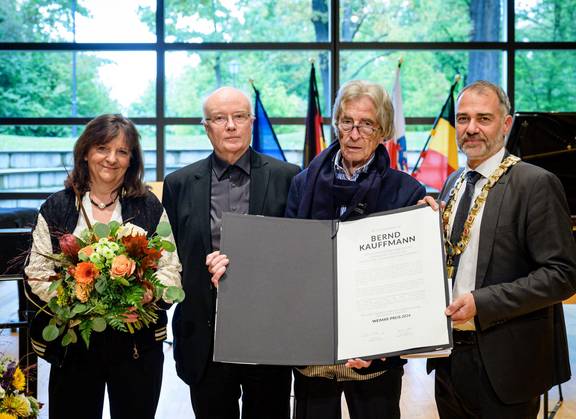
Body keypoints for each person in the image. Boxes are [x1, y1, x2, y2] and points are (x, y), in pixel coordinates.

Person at [423, 80, 576, 418]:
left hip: (507, 362)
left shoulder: (535, 184)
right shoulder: (453, 183)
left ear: (506, 124)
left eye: (484, 118)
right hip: (449, 359)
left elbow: (562, 275)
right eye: (463, 119)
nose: (471, 129)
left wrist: (483, 303)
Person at [25, 114, 182, 419]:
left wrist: (146, 294)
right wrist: (77, 299)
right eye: (102, 148)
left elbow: (170, 269)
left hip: (137, 344)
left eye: (122, 152)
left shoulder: (148, 206)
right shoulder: (57, 206)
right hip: (75, 344)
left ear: (131, 160)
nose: (112, 159)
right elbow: (37, 273)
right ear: (85, 152)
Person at [285, 79, 425, 419]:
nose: (354, 133)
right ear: (336, 125)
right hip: (313, 353)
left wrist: (379, 342)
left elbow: (408, 281)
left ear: (383, 131)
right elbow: (289, 264)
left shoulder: (406, 191)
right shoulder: (303, 184)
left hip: (375, 359)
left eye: (367, 124)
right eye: (347, 121)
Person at [163, 86, 300, 419]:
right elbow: (168, 257)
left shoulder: (289, 177)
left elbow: (299, 255)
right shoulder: (179, 183)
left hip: (267, 335)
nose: (231, 126)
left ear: (251, 122)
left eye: (239, 116)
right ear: (206, 126)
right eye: (220, 118)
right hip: (203, 336)